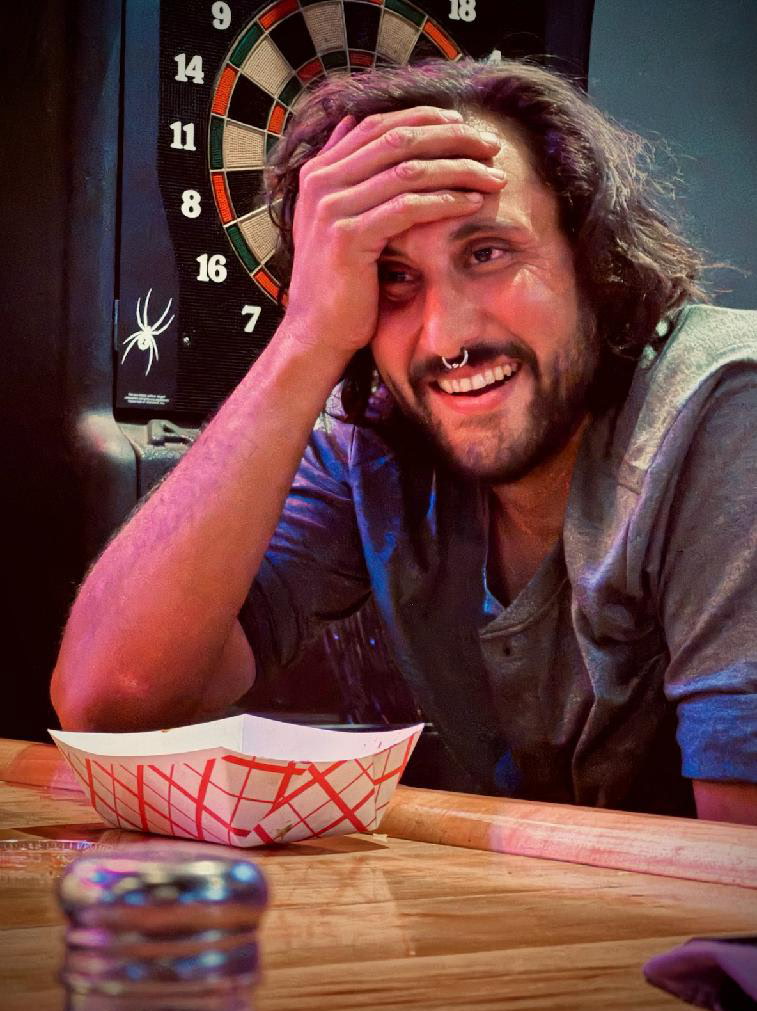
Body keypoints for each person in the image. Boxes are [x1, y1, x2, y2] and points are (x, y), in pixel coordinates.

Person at [51, 59, 757, 824]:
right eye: (391, 277)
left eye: (487, 253)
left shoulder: (722, 406)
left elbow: (734, 881)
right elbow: (113, 703)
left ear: (594, 261)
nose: (447, 336)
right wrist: (309, 336)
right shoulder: (373, 441)